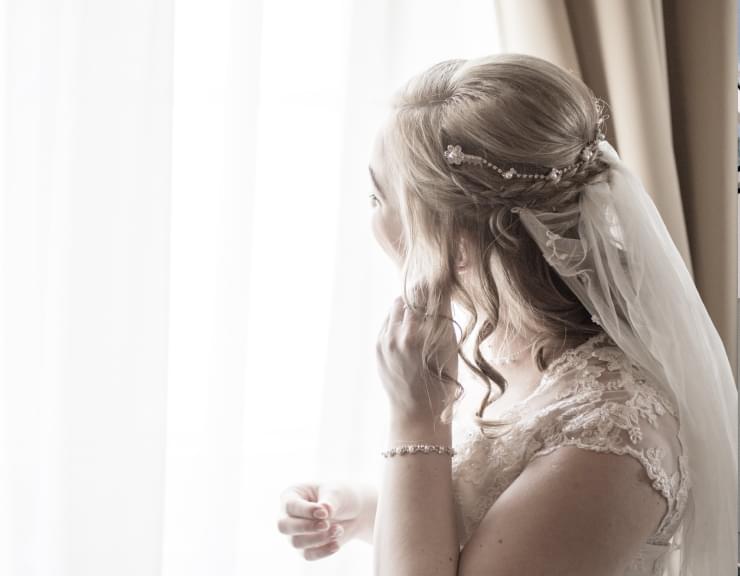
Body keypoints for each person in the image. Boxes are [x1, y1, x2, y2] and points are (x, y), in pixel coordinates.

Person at [276, 53, 737, 575]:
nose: (372, 218)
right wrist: (361, 510)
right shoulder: (497, 345)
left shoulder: (608, 435)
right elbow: (484, 527)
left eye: (377, 197)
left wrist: (415, 416)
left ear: (455, 242)